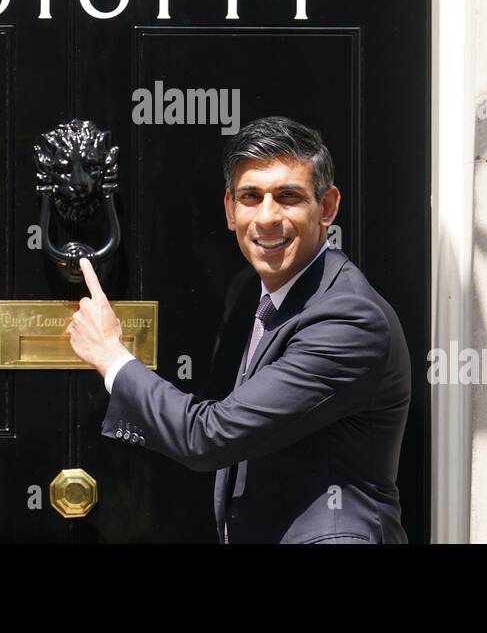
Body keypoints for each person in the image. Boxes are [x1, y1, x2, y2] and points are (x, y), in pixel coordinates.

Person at [67, 115, 411, 543]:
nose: (266, 217)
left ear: (326, 208)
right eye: (252, 197)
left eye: (288, 197)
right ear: (231, 209)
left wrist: (111, 356)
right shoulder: (258, 293)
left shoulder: (348, 320)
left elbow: (208, 436)